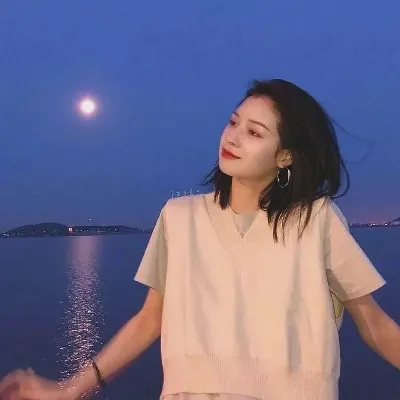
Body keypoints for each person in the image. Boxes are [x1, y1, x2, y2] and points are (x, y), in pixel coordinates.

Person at [0, 79, 399, 400]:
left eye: (254, 132)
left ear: (285, 157)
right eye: (233, 122)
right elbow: (149, 319)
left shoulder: (315, 220)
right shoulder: (180, 217)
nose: (233, 137)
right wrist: (70, 389)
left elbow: (374, 325)